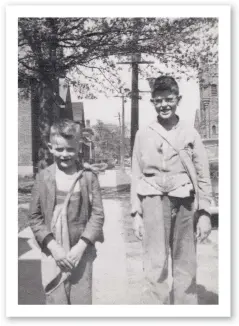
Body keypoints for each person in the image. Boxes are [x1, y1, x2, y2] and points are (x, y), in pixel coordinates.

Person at [131, 76, 212, 304]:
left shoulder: (190, 133)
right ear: (152, 102)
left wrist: (204, 213)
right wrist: (136, 213)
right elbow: (136, 174)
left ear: (178, 99)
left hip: (185, 203)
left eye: (169, 99)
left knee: (185, 262)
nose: (164, 104)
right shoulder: (143, 133)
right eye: (158, 100)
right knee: (155, 264)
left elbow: (203, 175)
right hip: (153, 203)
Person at [29, 119, 104, 304]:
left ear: (79, 147)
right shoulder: (43, 177)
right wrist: (54, 247)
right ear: (50, 147)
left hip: (81, 253)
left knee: (81, 302)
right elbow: (34, 216)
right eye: (59, 149)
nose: (65, 154)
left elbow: (98, 215)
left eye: (70, 149)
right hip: (53, 252)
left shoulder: (88, 177)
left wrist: (81, 247)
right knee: (56, 301)